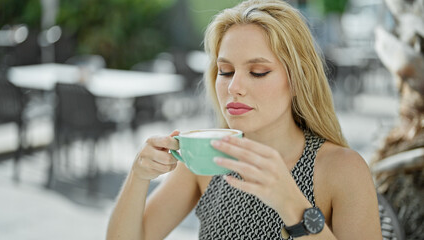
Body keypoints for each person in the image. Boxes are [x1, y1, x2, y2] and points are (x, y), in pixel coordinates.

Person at [106, 0, 382, 239]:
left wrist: (292, 205)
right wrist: (138, 175)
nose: (234, 87)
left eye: (258, 72)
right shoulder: (206, 160)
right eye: (225, 71)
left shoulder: (342, 170)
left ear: (299, 80)